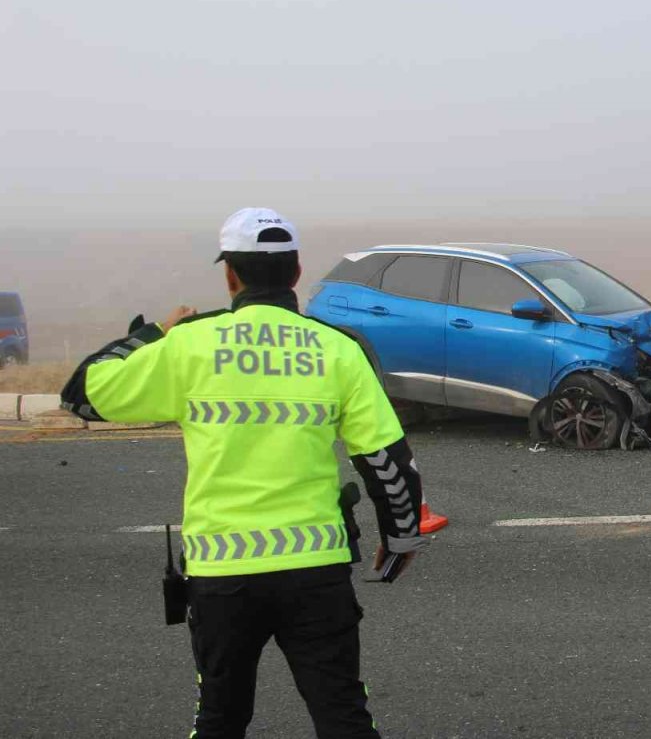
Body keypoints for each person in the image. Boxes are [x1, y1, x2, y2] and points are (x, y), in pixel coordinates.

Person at [61, 207, 427, 739]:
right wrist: (400, 540)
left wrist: (155, 333)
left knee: (220, 719)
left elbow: (81, 393)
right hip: (315, 569)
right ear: (296, 272)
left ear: (230, 275)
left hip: (221, 574)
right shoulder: (337, 348)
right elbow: (387, 460)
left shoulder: (189, 344)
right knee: (343, 717)